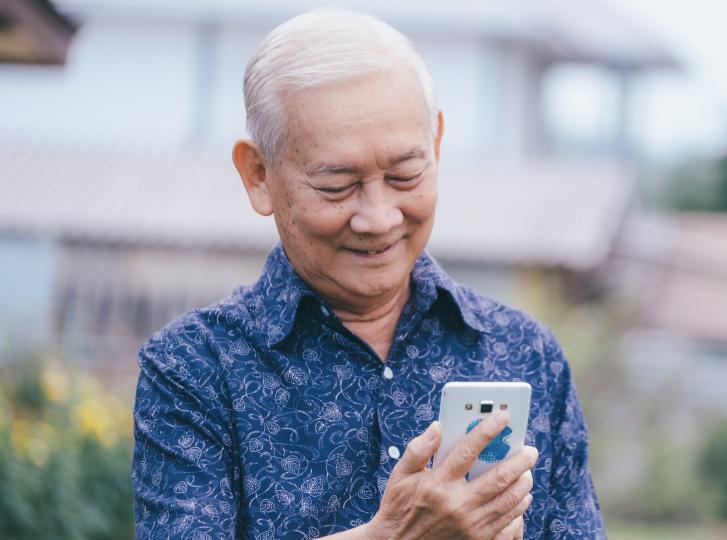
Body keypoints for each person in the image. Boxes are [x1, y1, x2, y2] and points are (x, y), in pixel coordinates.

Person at [131, 8, 605, 539]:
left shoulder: (525, 353)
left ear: (438, 146)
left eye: (405, 174)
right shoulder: (194, 368)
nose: (379, 219)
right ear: (258, 175)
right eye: (336, 185)